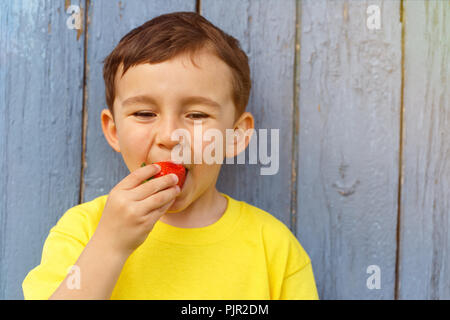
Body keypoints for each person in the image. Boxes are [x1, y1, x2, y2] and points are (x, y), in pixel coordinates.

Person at [22, 11, 318, 300]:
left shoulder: (275, 250)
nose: (169, 135)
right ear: (114, 131)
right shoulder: (85, 231)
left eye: (197, 114)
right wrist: (110, 245)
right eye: (145, 113)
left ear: (236, 136)